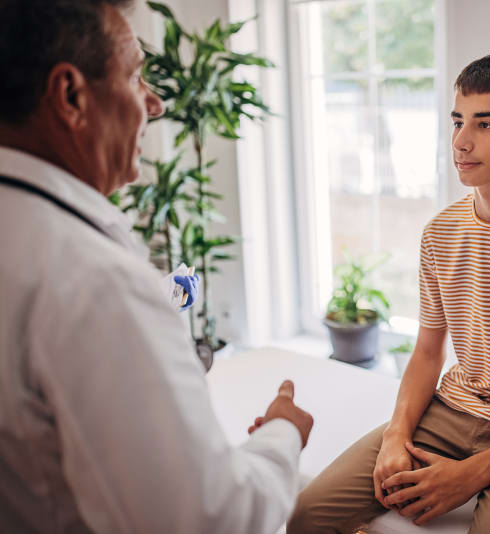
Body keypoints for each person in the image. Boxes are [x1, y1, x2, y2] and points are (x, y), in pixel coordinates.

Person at [0, 1, 312, 532]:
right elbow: (210, 518)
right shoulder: (93, 280)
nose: (157, 104)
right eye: (137, 75)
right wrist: (282, 435)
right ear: (71, 96)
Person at [288, 53, 490, 534]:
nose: (461, 142)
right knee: (307, 515)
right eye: (457, 121)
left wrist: (471, 475)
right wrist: (395, 437)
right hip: (456, 409)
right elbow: (428, 352)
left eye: (486, 124)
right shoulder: (441, 232)